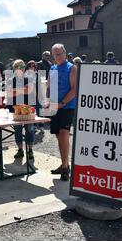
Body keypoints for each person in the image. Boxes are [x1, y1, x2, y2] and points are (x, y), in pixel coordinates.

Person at [46, 43, 77, 181]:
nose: (58, 56)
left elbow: (74, 90)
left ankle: (65, 168)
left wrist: (62, 104)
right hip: (54, 107)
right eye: (55, 54)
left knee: (64, 135)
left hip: (67, 106)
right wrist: (47, 100)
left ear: (65, 53)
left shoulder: (72, 68)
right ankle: (64, 164)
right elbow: (48, 87)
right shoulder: (52, 68)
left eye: (60, 53)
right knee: (59, 136)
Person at [6, 60, 36, 160]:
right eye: (17, 67)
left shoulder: (29, 78)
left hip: (28, 108)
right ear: (14, 69)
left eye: (21, 67)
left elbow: (29, 90)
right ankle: (20, 150)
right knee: (17, 130)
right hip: (16, 109)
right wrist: (23, 89)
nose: (20, 69)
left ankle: (30, 150)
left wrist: (16, 90)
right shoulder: (11, 80)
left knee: (30, 130)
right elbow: (10, 93)